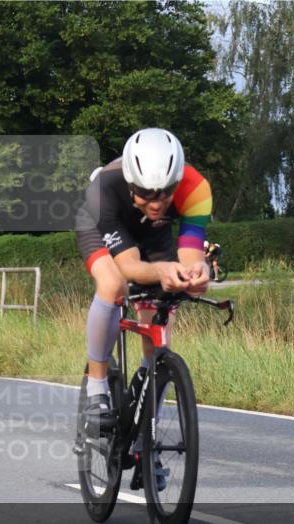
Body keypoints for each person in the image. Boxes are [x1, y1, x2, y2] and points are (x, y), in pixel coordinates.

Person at [74, 128, 211, 435]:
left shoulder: (196, 188)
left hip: (154, 236)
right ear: (130, 182)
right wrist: (162, 271)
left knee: (159, 332)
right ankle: (97, 389)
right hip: (101, 225)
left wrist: (196, 272)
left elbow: (190, 253)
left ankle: (147, 435)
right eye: (147, 194)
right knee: (113, 285)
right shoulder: (104, 189)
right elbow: (130, 267)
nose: (156, 203)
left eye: (165, 193)